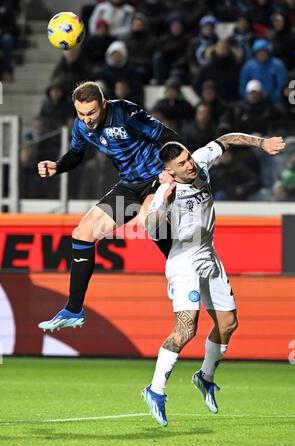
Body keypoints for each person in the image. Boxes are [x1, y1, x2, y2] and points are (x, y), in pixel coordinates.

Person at [142, 133, 285, 426]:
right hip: (184, 263)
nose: (190, 164)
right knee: (186, 329)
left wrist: (261, 144)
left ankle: (204, 377)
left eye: (188, 158)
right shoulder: (166, 191)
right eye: (182, 163)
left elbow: (227, 138)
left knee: (229, 324)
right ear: (170, 171)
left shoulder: (201, 161)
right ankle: (155, 389)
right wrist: (162, 205)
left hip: (209, 255)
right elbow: (150, 226)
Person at [37, 81, 180, 332]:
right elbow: (76, 154)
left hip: (158, 177)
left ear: (103, 104)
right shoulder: (81, 127)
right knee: (82, 233)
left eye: (91, 112)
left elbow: (168, 137)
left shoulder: (125, 113)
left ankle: (179, 273)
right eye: (81, 113)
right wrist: (58, 166)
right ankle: (73, 310)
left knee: (150, 220)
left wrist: (173, 170)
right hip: (130, 185)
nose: (87, 119)